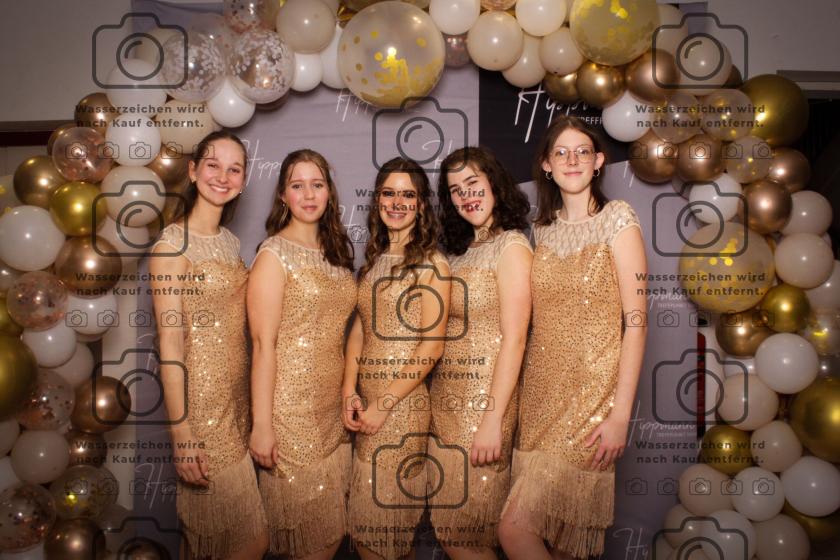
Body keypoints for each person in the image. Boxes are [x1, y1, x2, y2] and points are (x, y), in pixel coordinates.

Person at [498, 116, 648, 560]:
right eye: (560, 152)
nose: (572, 160)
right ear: (546, 165)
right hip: (540, 397)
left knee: (514, 530)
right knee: (561, 543)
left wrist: (620, 415)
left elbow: (637, 322)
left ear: (598, 161)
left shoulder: (618, 220)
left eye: (582, 151)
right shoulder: (542, 230)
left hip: (590, 397)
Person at [150, 130, 268, 560]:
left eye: (234, 169)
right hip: (200, 409)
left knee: (204, 541)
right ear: (193, 171)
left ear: (243, 180)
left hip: (235, 403)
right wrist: (181, 432)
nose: (223, 176)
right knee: (251, 540)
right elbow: (170, 343)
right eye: (213, 165)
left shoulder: (229, 241)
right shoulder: (170, 247)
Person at [247, 149, 356, 560]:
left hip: (331, 413)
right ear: (283, 195)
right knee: (312, 538)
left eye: (317, 184)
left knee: (331, 532)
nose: (309, 195)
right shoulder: (273, 255)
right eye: (297, 185)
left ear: (329, 191)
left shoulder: (336, 253)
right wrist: (262, 425)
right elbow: (263, 345)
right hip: (290, 413)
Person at [343, 157, 451, 560]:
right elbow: (360, 330)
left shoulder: (432, 264)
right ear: (378, 200)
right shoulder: (375, 259)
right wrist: (348, 391)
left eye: (408, 194)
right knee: (385, 540)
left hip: (401, 409)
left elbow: (432, 347)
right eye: (389, 193)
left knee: (377, 536)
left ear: (421, 204)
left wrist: (384, 404)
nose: (397, 202)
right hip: (368, 405)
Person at [429, 146, 533, 559]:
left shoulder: (512, 247)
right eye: (456, 190)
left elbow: (515, 338)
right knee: (453, 530)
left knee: (465, 535)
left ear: (494, 183)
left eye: (473, 183)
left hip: (484, 409)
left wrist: (492, 421)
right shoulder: (458, 254)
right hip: (447, 406)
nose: (466, 196)